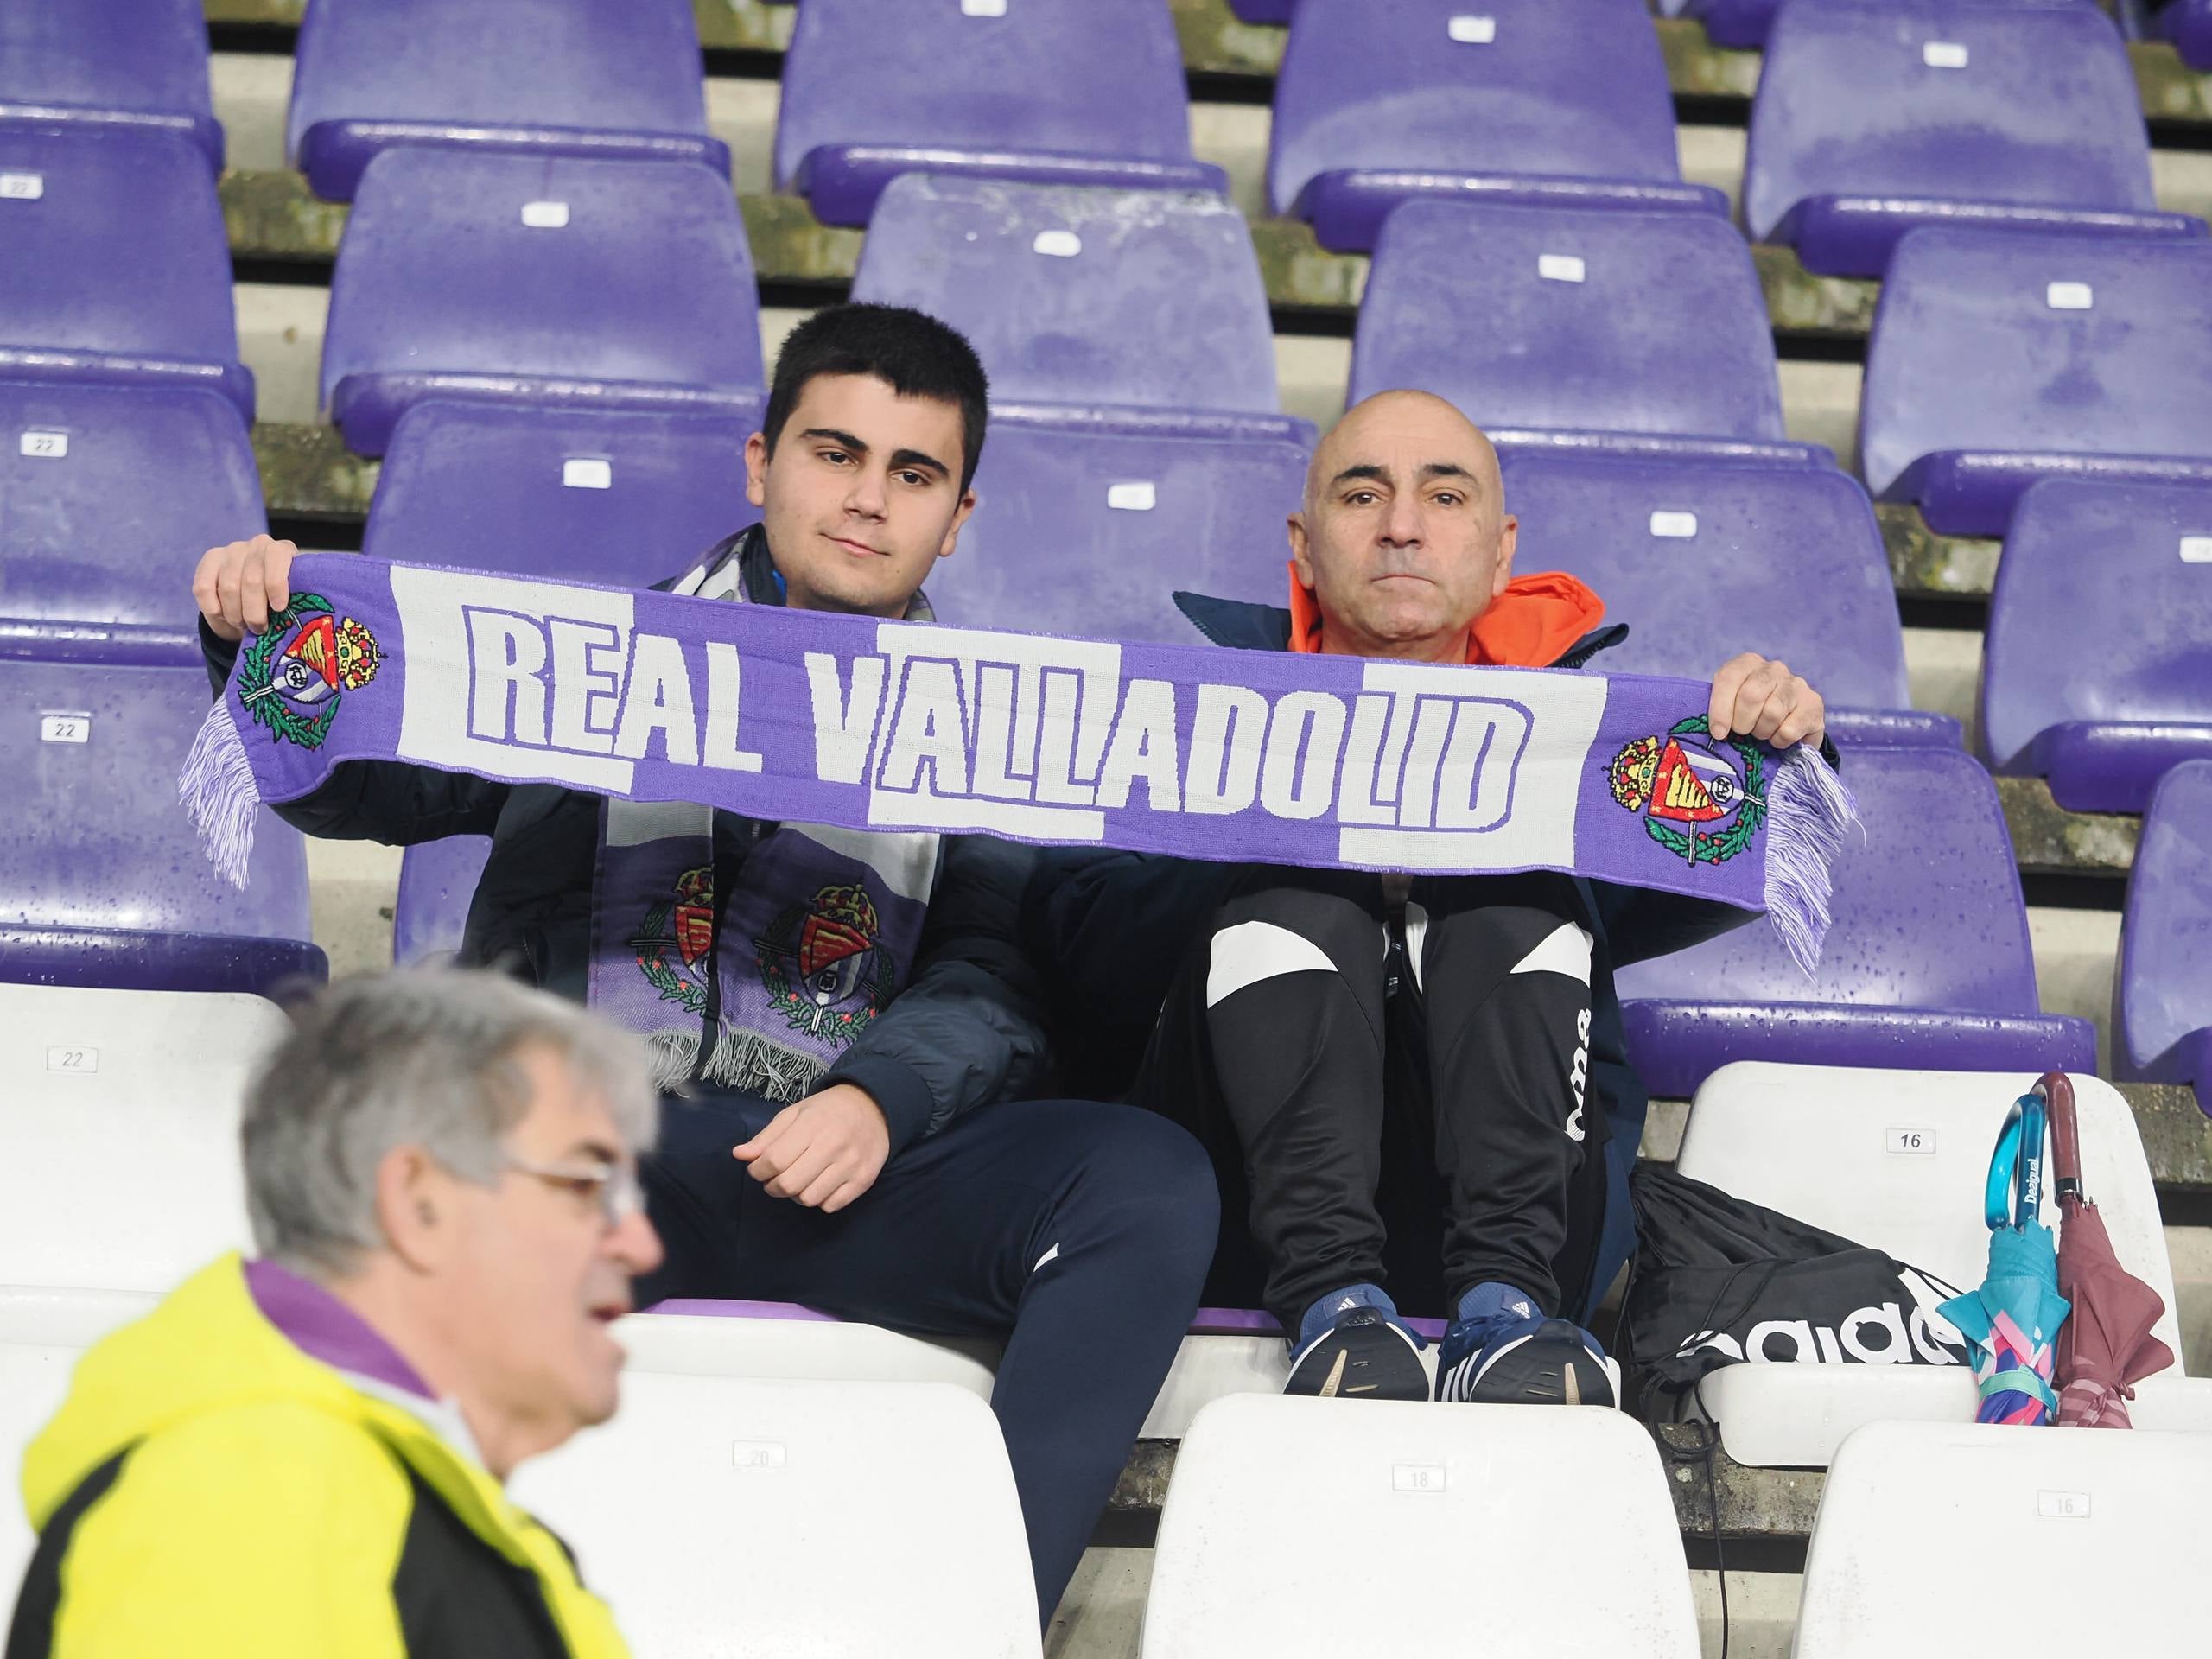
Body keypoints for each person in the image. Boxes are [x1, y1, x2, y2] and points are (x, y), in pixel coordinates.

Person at [188, 304, 1219, 1623]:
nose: (866, 500)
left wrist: (877, 1102)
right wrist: (258, 633)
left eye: (913, 474)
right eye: (833, 454)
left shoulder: (992, 727)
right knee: (428, 1150)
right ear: (760, 463)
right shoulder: (589, 666)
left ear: (957, 517)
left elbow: (992, 981)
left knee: (1144, 1177)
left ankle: (977, 1621)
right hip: (611, 1158)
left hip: (854, 1173)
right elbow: (368, 779)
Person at [1027, 389, 1839, 1409]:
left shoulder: (1582, 747)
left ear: (1500, 552)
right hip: (1244, 1209)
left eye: (1442, 497)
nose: (1402, 524)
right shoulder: (1188, 719)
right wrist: (1278, 810)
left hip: (1522, 1214)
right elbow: (1078, 951)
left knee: (1509, 891)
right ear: (1304, 544)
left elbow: (1731, 860)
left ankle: (1503, 1313)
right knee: (1298, 891)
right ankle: (1334, 1307)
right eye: (1362, 494)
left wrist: (1777, 752)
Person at [8, 969, 660, 1658]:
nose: (642, 1246)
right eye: (586, 1184)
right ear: (419, 1204)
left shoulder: (356, 1495)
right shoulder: (254, 1494)